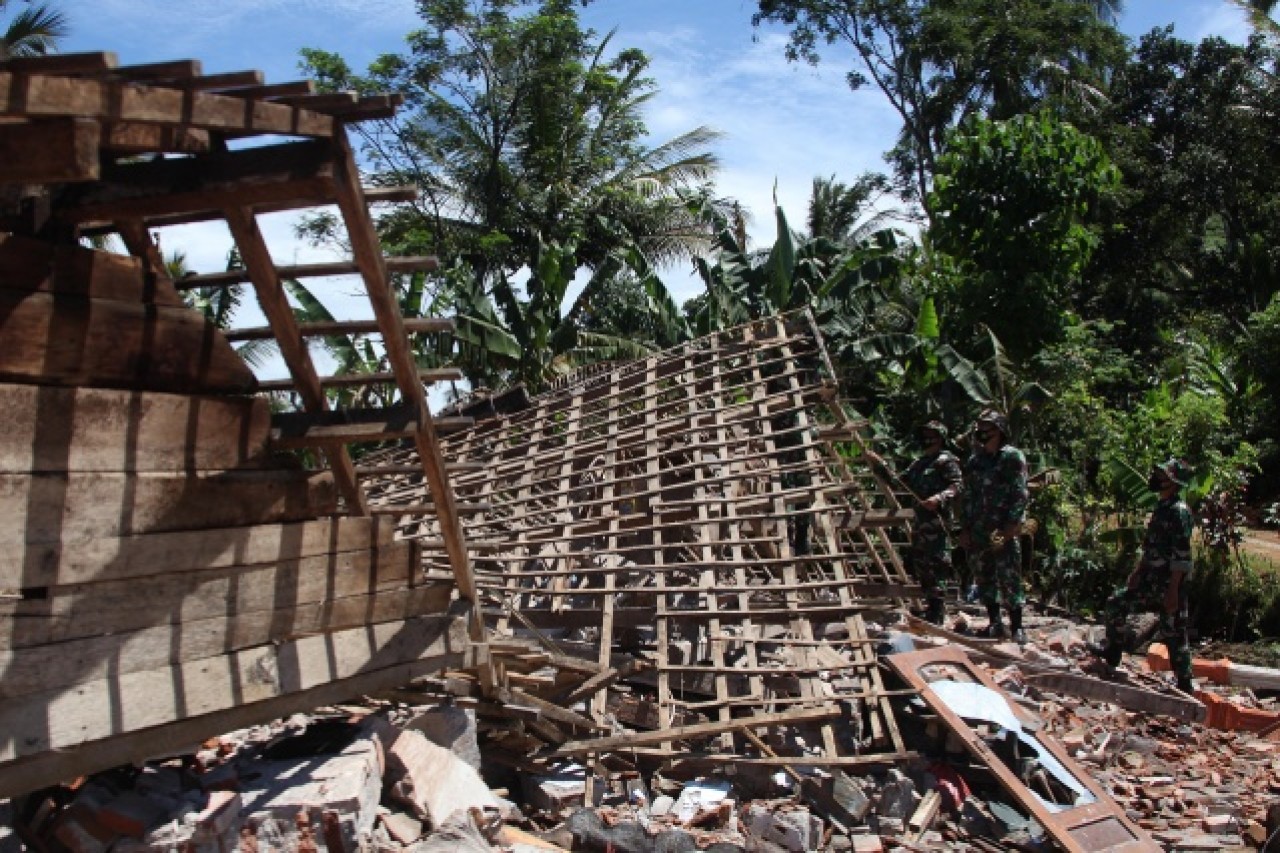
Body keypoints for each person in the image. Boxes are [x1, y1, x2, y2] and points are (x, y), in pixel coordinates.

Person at [1096, 458, 1196, 693]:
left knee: (1175, 636)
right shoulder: (1161, 508)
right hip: (1150, 581)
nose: (1157, 479)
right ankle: (1113, 652)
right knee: (1116, 604)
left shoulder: (1179, 512)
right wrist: (1138, 572)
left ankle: (1185, 685)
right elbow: (1150, 547)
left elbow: (1182, 558)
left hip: (1170, 585)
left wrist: (1172, 592)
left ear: (1173, 482)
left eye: (1163, 476)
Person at [864, 421, 963, 624]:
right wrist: (879, 464)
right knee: (922, 566)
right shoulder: (920, 463)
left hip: (937, 522)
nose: (927, 439)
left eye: (931, 435)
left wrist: (938, 498)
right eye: (925, 434)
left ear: (940, 437)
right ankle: (930, 608)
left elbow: (958, 486)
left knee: (938, 565)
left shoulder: (947, 461)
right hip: (920, 522)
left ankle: (937, 611)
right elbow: (898, 481)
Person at [958, 409, 1030, 642]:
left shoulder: (1011, 457)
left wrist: (1012, 524)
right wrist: (965, 528)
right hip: (979, 529)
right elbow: (968, 497)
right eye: (979, 428)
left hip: (1002, 530)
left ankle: (1017, 626)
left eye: (986, 429)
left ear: (998, 430)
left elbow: (1020, 493)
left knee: (1009, 575)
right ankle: (994, 622)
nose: (981, 433)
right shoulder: (975, 462)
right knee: (984, 575)